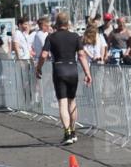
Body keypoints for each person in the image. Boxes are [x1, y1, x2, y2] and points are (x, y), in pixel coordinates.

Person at [36, 11, 91, 146]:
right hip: (73, 69)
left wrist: (38, 67)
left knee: (62, 103)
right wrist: (88, 73)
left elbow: (43, 55)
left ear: (57, 23)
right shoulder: (75, 36)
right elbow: (82, 56)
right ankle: (73, 131)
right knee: (72, 102)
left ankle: (67, 133)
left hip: (59, 69)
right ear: (68, 23)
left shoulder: (51, 37)